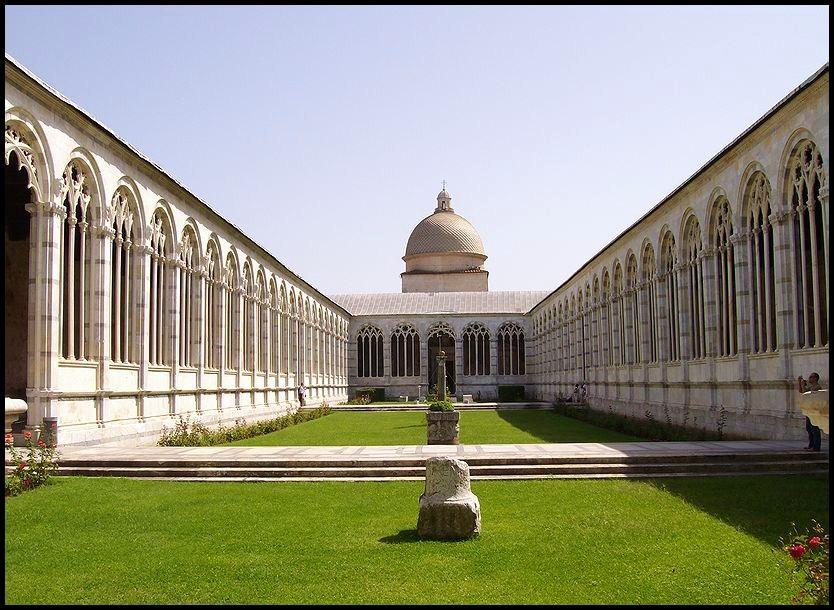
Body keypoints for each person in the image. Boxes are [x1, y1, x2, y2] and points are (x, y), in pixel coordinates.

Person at [796, 372, 822, 452]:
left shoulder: (817, 387)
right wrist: (800, 383)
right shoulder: (811, 387)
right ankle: (811, 445)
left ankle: (816, 447)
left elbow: (805, 394)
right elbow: (801, 391)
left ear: (815, 378)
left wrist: (804, 385)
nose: (809, 378)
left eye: (811, 377)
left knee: (814, 429)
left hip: (814, 411)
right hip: (809, 410)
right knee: (809, 428)